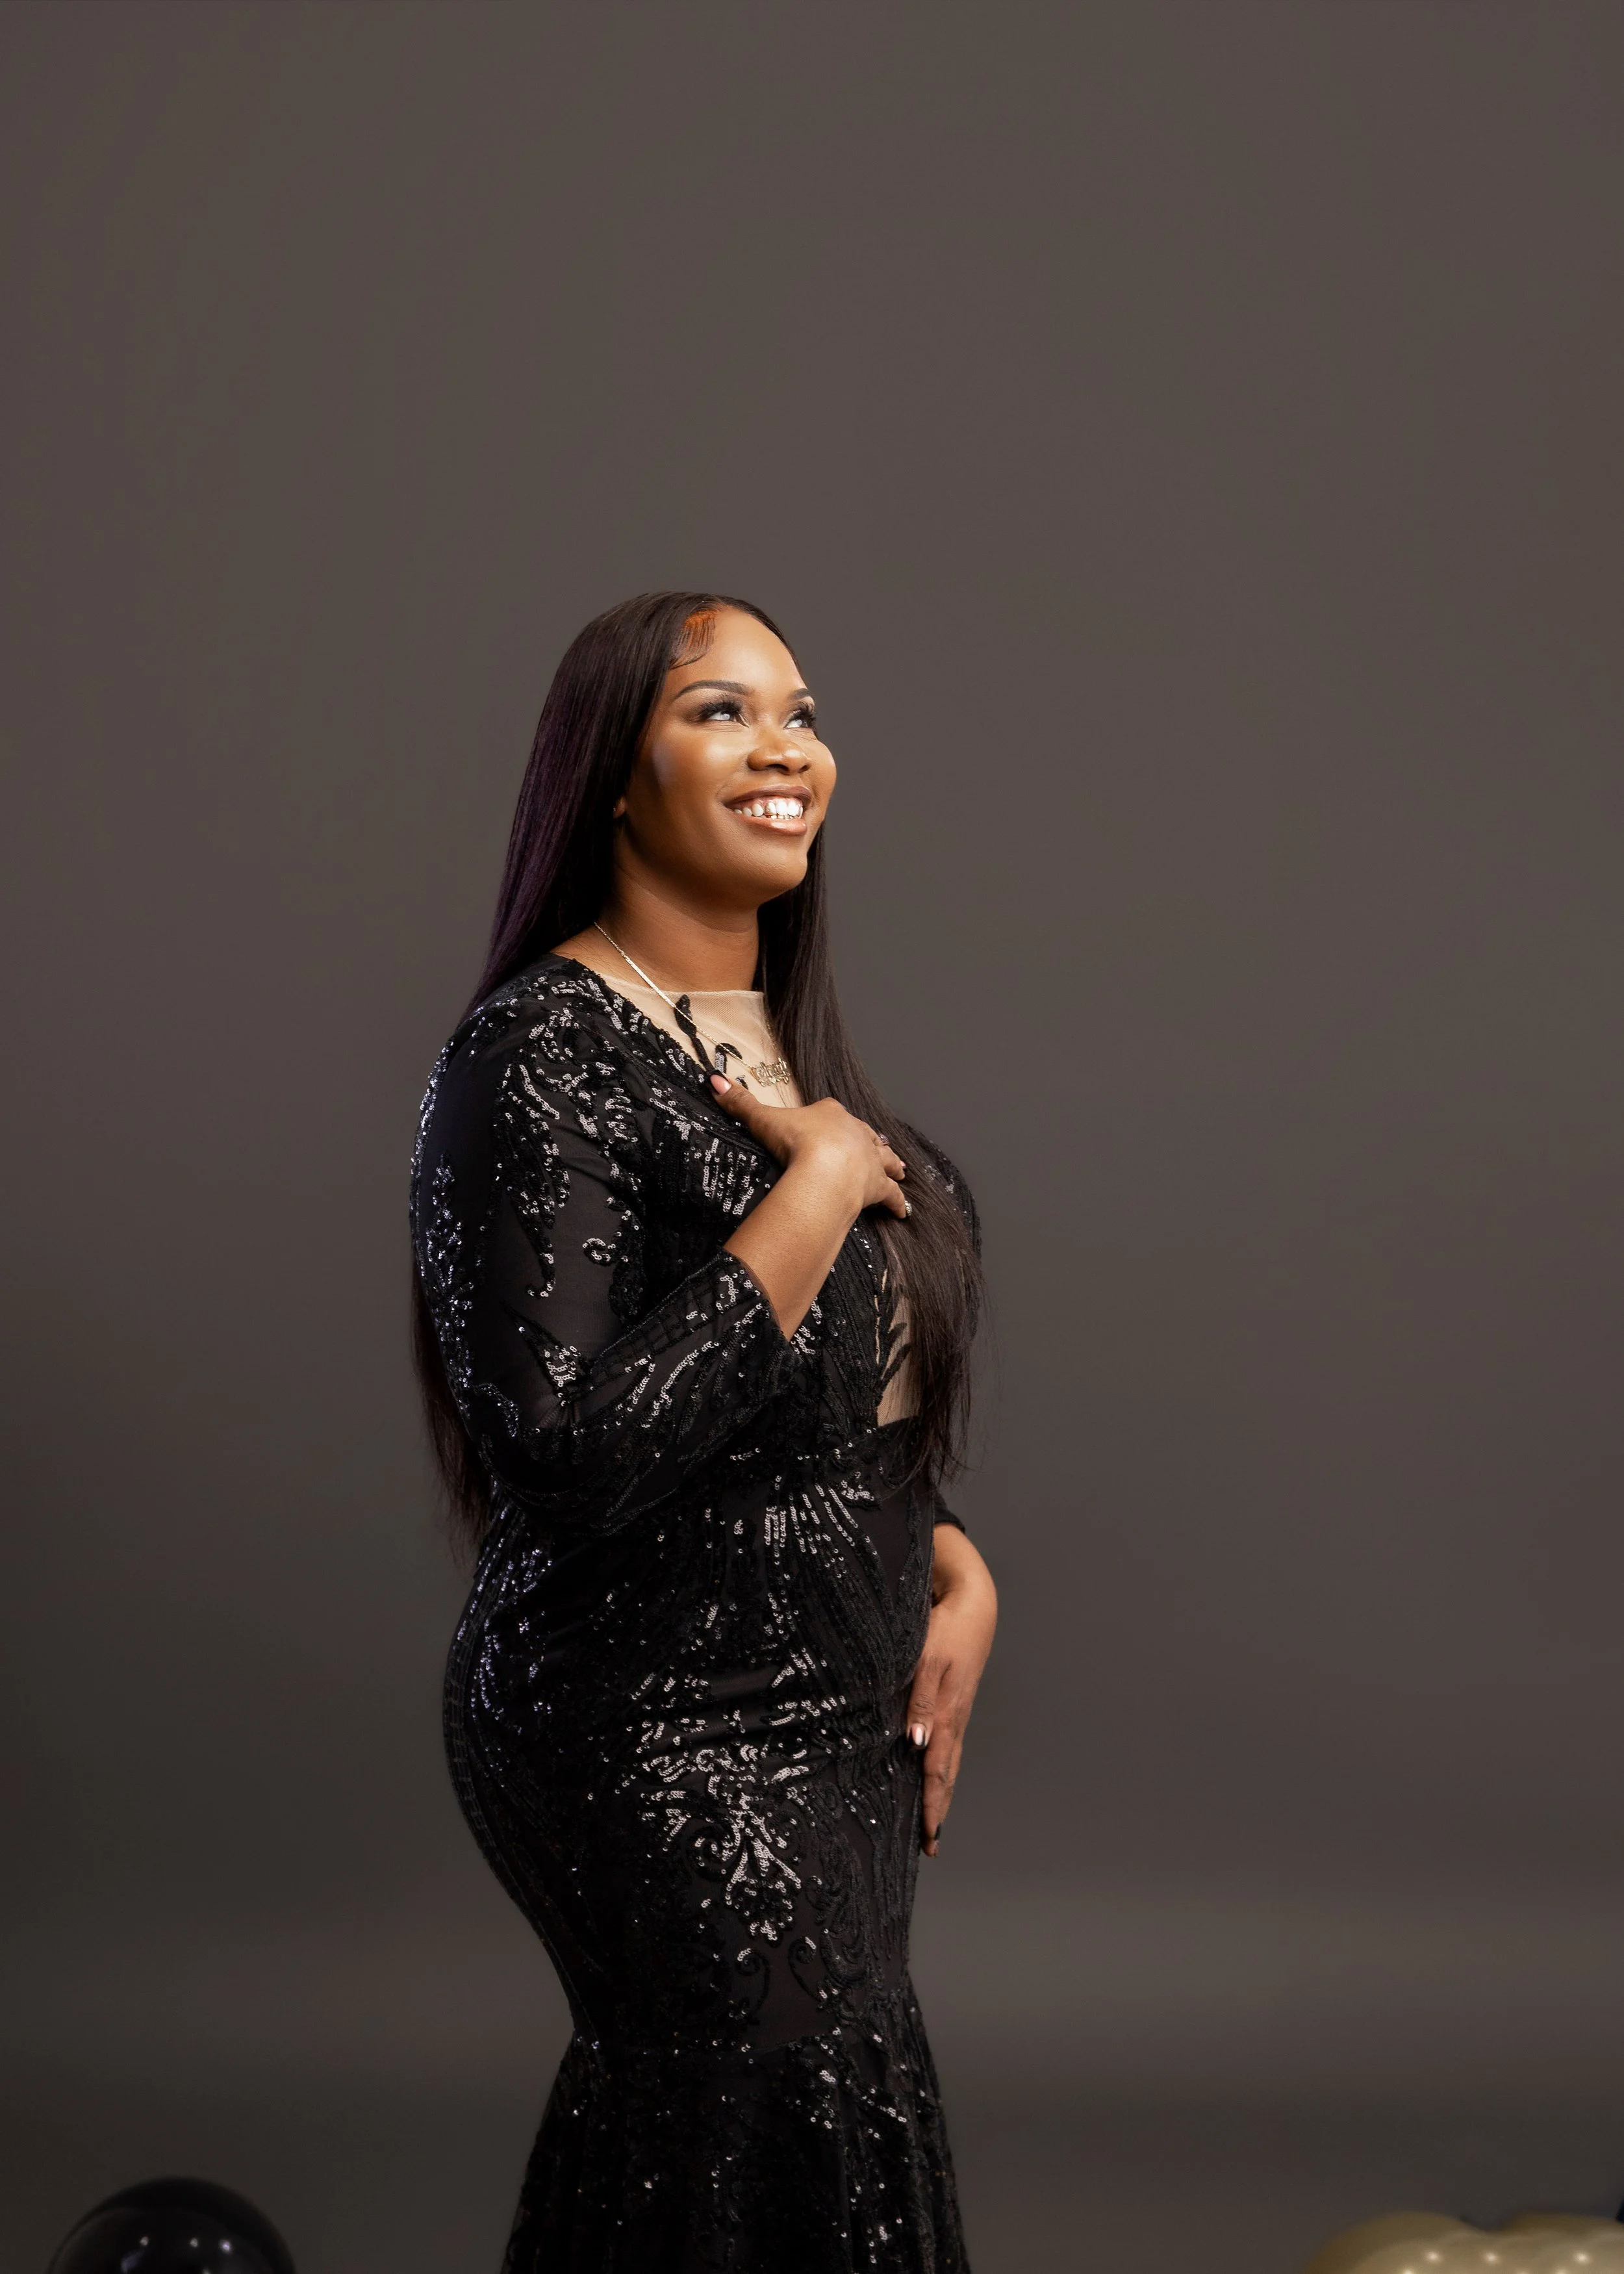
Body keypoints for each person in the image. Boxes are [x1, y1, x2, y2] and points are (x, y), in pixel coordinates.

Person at [410, 591, 998, 2272]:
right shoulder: (533, 1056)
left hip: (834, 1717)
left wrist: (952, 1560)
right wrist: (813, 1188)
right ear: (612, 770)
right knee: (743, 2106)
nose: (782, 746)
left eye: (799, 711)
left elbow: (821, 1419)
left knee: (798, 2124)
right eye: (719, 710)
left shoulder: (785, 1049)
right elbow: (575, 1451)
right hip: (647, 1719)